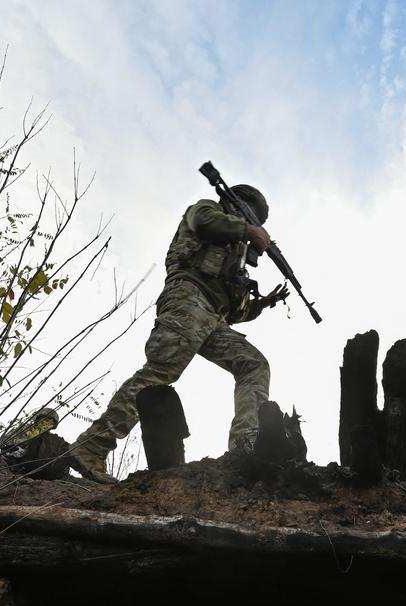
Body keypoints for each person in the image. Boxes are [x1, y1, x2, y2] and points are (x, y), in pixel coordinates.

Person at [69, 185, 288, 483]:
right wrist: (247, 230)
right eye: (254, 218)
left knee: (254, 364)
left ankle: (244, 446)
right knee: (160, 372)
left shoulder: (235, 248)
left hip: (213, 317)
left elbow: (234, 312)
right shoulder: (209, 210)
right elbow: (203, 221)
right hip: (188, 297)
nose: (258, 226)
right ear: (239, 205)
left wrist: (262, 304)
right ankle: (92, 446)